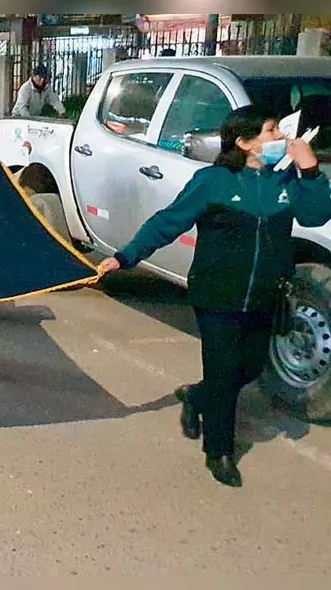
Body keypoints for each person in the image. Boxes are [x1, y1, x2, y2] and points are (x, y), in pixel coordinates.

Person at [98, 105, 331, 487]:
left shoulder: (286, 181)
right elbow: (167, 222)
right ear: (244, 142)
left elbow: (315, 216)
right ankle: (219, 451)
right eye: (272, 132)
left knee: (251, 368)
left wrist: (309, 170)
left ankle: (195, 396)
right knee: (223, 374)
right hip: (217, 295)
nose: (280, 139)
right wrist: (124, 257)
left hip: (264, 294)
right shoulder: (213, 181)